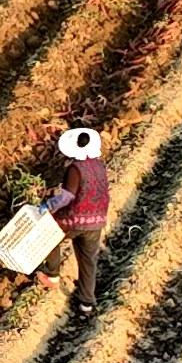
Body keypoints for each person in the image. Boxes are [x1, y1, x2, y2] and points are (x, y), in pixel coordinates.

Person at [38, 126, 110, 318]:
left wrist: (48, 206)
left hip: (75, 219)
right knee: (88, 260)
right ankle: (87, 304)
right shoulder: (99, 166)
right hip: (97, 219)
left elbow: (67, 197)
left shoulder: (75, 169)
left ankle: (52, 274)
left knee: (48, 234)